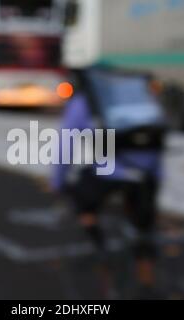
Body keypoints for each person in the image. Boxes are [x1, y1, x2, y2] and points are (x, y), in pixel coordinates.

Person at [52, 68, 164, 293]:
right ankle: (146, 283)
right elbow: (157, 139)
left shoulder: (86, 101)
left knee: (80, 194)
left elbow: (66, 145)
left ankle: (99, 245)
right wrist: (156, 178)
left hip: (110, 173)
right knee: (144, 227)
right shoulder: (142, 100)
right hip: (146, 175)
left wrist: (58, 181)